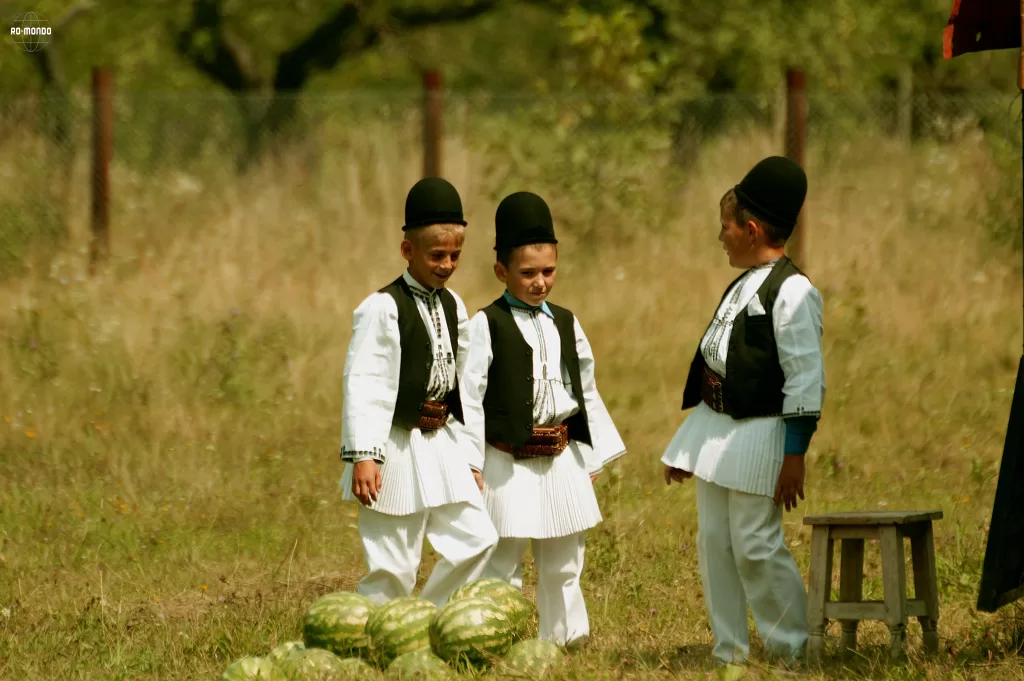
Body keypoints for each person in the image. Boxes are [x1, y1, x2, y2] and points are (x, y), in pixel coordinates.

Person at [662, 156, 825, 666]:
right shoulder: (743, 283)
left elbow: (805, 377)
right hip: (717, 436)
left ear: (751, 230)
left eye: (726, 228)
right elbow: (719, 367)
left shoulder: (792, 291)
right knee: (714, 543)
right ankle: (729, 653)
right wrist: (689, 446)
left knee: (754, 544)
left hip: (761, 440)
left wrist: (793, 455)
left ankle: (792, 649)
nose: (721, 238)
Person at [460, 191, 627, 648]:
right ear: (501, 271)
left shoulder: (568, 323)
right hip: (506, 463)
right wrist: (471, 464)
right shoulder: (485, 325)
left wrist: (589, 460)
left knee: (565, 559)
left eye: (548, 271)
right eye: (527, 273)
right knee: (502, 557)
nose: (539, 282)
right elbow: (470, 399)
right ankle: (499, 638)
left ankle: (568, 638)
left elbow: (585, 390)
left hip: (560, 460)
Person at [338, 177, 498, 607]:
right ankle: (375, 641)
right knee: (393, 563)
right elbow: (364, 381)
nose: (446, 264)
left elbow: (464, 391)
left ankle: (424, 619)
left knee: (478, 539)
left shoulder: (455, 305)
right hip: (392, 445)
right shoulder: (381, 308)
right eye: (437, 255)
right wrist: (365, 454)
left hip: (441, 442)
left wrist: (470, 458)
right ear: (408, 251)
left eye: (455, 256)